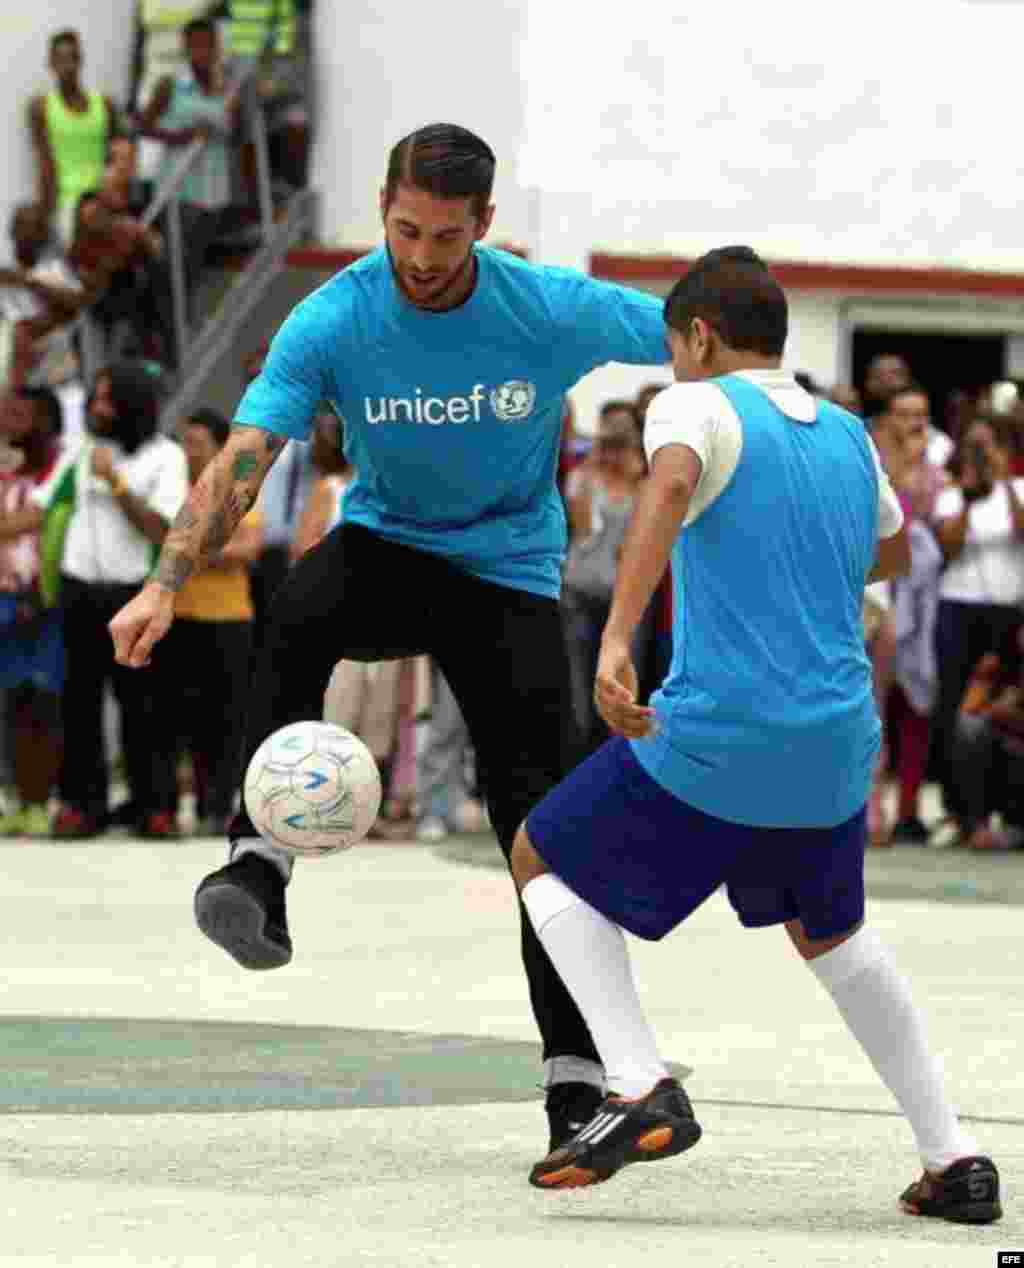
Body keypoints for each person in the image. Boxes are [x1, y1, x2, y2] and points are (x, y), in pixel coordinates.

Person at [108, 121, 670, 1152]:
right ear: (383, 207)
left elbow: (697, 332)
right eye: (406, 229)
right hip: (386, 544)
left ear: (484, 226)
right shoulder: (336, 316)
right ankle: (256, 864)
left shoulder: (544, 306)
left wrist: (774, 401)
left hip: (505, 573)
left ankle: (578, 1086)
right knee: (295, 611)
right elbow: (245, 456)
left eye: (446, 237)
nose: (421, 256)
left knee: (541, 831)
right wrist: (163, 581)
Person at [507, 247, 1001, 1225]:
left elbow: (668, 487)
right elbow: (897, 545)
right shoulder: (847, 435)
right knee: (831, 931)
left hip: (719, 732)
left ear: (695, 336)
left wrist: (616, 638)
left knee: (538, 854)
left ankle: (637, 1079)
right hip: (832, 745)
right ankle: (955, 1155)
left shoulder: (692, 403)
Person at [22, 363, 189, 838]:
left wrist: (115, 484)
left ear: (132, 407)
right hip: (78, 590)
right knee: (78, 704)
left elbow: (161, 528)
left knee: (145, 705)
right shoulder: (80, 450)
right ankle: (82, 804)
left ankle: (153, 806)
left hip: (131, 593)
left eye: (106, 400)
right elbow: (39, 507)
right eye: (94, 398)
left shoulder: (165, 457)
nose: (95, 408)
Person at [168, 408, 263, 834]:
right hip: (181, 616)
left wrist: (192, 553)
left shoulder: (235, 488)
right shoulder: (173, 488)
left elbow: (248, 548)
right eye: (185, 444)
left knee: (226, 719)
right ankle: (192, 801)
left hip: (228, 618)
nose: (189, 453)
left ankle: (219, 805)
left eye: (197, 444)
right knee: (183, 716)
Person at [930, 414, 1024, 837]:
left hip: (1007, 609)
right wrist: (970, 496)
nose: (983, 457)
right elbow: (947, 550)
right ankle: (959, 807)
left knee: (1002, 709)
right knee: (954, 705)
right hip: (959, 606)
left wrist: (1003, 482)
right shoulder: (951, 497)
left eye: (990, 448)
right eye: (976, 449)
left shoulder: (1018, 491)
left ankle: (1003, 806)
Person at [138, 17, 240, 325]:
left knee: (194, 262)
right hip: (180, 187)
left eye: (207, 44)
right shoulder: (171, 85)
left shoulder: (226, 87)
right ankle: (169, 327)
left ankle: (179, 324)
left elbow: (236, 132)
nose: (202, 51)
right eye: (195, 44)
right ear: (185, 47)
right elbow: (142, 124)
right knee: (176, 263)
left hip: (215, 187)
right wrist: (178, 136)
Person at [0, 388, 65, 836]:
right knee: (10, 704)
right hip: (5, 599)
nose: (12, 423)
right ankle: (15, 799)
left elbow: (43, 519)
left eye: (22, 415)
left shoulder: (62, 470)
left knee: (41, 703)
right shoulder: (7, 476)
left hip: (46, 599)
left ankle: (41, 800)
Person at [28, 30, 118, 248]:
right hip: (66, 208)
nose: (67, 66)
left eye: (72, 58)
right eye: (60, 59)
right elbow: (45, 165)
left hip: (102, 204)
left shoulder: (104, 105)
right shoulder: (41, 107)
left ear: (80, 60)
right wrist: (43, 215)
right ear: (51, 64)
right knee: (72, 277)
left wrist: (112, 200)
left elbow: (115, 158)